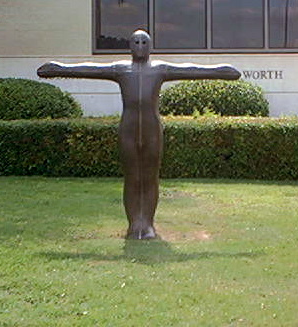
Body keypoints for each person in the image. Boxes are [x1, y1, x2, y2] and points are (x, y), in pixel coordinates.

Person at [37, 30, 240, 239]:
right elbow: (90, 68)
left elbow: (192, 70)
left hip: (152, 131)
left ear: (150, 46)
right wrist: (59, 69)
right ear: (130, 46)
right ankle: (135, 223)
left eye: (144, 42)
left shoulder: (160, 69)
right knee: (132, 177)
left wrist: (222, 71)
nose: (140, 45)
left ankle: (148, 224)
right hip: (128, 130)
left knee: (150, 177)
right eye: (136, 42)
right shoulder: (120, 69)